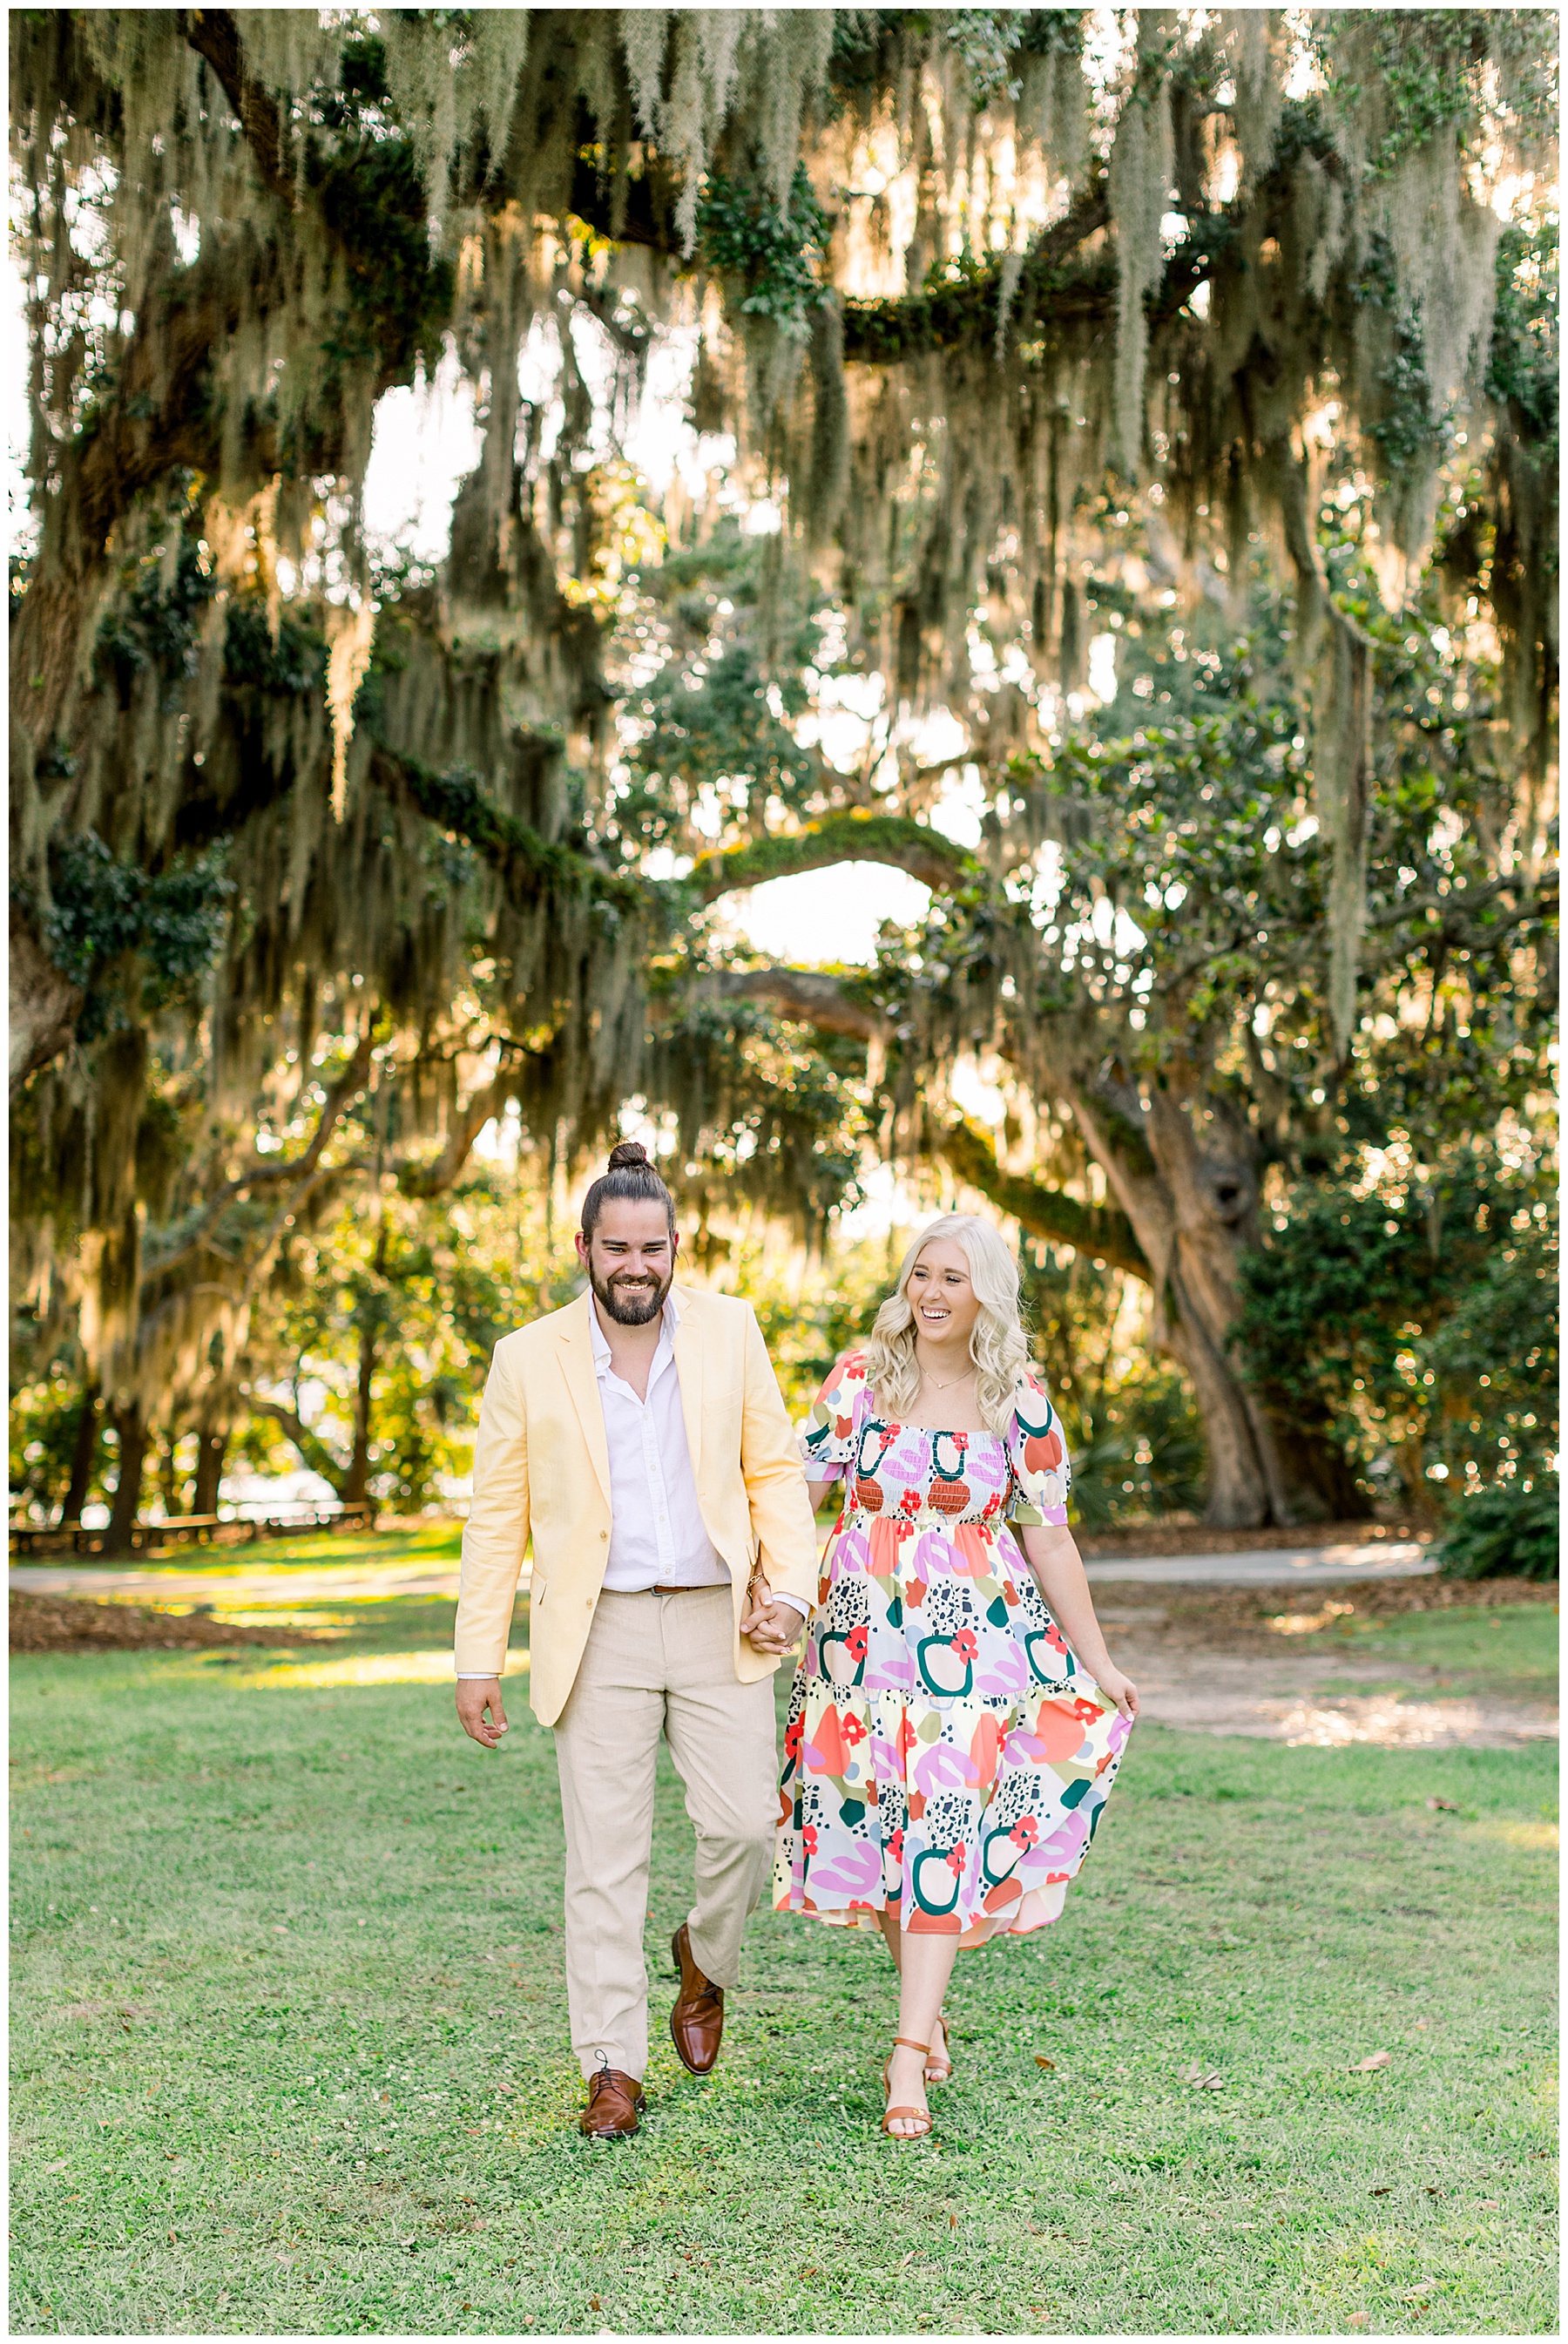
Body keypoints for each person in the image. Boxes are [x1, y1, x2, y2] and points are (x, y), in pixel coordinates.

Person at [454, 1141, 817, 2139]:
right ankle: (612, 2063)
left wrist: (788, 1590)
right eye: (617, 1248)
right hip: (597, 1628)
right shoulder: (528, 1358)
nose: (636, 1265)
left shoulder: (733, 1332)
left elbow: (774, 1471)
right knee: (604, 1860)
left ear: (674, 1247)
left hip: (717, 1617)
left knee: (747, 1826)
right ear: (584, 1248)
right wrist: (477, 1654)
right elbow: (497, 1519)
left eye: (652, 1247)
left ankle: (704, 1957)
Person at [772, 1213, 1139, 2140]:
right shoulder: (859, 1378)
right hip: (855, 1649)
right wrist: (765, 1590)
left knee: (939, 1822)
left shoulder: (1017, 1395)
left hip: (974, 1652)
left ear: (987, 1293)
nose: (933, 1293)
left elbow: (1049, 1536)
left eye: (954, 1278)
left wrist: (1097, 1658)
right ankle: (924, 2007)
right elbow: (792, 1497)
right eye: (921, 1275)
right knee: (888, 1824)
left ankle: (904, 2052)